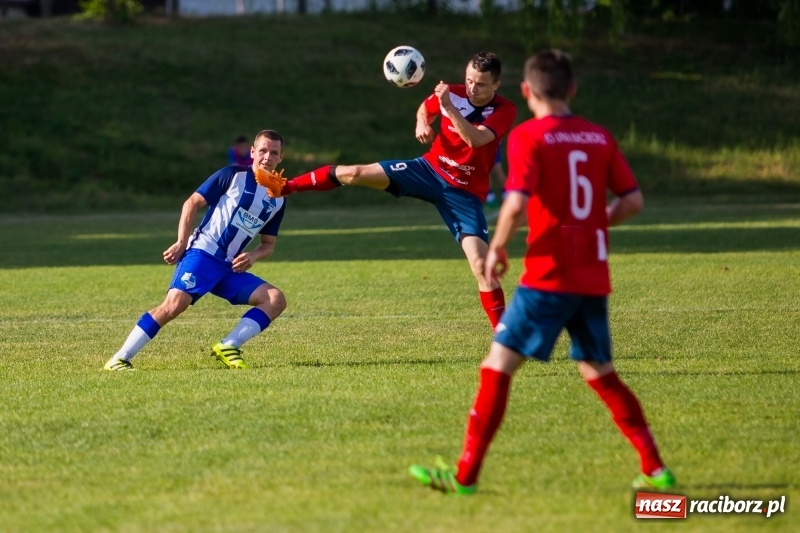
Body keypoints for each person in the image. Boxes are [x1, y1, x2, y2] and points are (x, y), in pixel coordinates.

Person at [408, 49, 675, 494]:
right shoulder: (599, 136)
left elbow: (514, 203)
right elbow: (633, 202)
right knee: (600, 372)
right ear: (571, 89)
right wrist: (591, 220)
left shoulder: (529, 135)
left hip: (548, 275)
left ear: (527, 91)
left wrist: (496, 248)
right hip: (591, 273)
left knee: (496, 366)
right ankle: (655, 468)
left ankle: (465, 477)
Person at [257, 52, 517, 330]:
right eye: (468, 81)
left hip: (464, 193)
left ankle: (504, 337)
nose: (471, 89)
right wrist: (422, 122)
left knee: (481, 266)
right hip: (428, 170)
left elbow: (476, 140)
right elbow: (425, 108)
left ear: (496, 85)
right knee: (354, 172)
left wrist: (449, 109)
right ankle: (286, 187)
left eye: (480, 84)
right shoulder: (451, 92)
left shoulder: (504, 110)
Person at [104, 130, 288, 371]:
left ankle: (229, 345)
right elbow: (191, 203)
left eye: (273, 152)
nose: (267, 157)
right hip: (203, 253)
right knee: (173, 306)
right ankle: (119, 358)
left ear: (281, 157)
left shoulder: (279, 198)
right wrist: (181, 242)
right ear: (252, 152)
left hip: (230, 267)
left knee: (275, 299)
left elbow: (268, 245)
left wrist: (253, 255)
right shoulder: (231, 175)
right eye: (262, 150)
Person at [484, 142, 507, 210]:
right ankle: (491, 198)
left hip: (489, 140)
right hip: (486, 140)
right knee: (488, 169)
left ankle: (506, 195)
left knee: (496, 168)